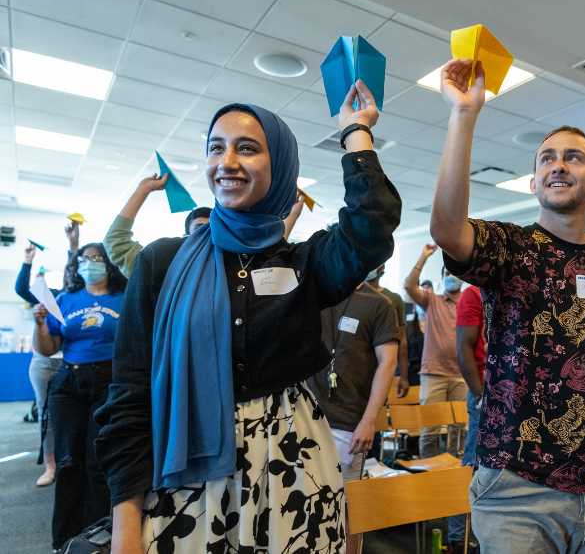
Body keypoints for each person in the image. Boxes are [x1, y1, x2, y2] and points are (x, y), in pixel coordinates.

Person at [95, 81, 401, 554]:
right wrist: (125, 527)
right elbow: (131, 394)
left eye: (248, 148)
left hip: (295, 466)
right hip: (187, 474)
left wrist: (355, 132)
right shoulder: (162, 263)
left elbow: (372, 226)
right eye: (216, 147)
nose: (227, 162)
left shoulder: (303, 263)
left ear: (278, 166)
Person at [430, 58, 585, 554]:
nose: (558, 164)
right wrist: (463, 116)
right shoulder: (510, 248)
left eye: (574, 157)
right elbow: (448, 232)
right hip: (518, 487)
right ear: (534, 182)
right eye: (546, 158)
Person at [32, 242, 127, 550]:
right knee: (69, 461)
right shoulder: (66, 299)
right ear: (77, 265)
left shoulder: (124, 297)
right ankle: (64, 539)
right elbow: (48, 348)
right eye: (85, 259)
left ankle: (98, 535)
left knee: (97, 461)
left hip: (109, 381)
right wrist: (38, 324)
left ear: (109, 263)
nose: (91, 263)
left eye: (97, 258)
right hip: (68, 381)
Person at [307, 281, 399, 553]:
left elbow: (388, 362)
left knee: (345, 509)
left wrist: (369, 420)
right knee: (304, 506)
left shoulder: (379, 303)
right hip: (304, 420)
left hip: (349, 422)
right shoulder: (313, 292)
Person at [104, 175, 306, 278]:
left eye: (215, 227)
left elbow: (267, 247)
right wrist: (143, 190)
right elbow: (116, 242)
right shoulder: (167, 263)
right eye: (201, 228)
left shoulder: (234, 263)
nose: (210, 233)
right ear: (185, 236)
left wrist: (293, 215)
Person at [15, 223, 80, 487]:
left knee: (73, 414)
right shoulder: (48, 298)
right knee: (47, 414)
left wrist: (74, 245)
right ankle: (50, 465)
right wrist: (28, 261)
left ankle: (71, 460)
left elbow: (73, 271)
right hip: (43, 363)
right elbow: (21, 288)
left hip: (70, 362)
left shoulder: (73, 296)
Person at [405, 246, 468, 459]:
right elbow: (409, 285)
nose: (451, 277)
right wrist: (423, 256)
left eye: (454, 274)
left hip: (462, 375)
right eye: (446, 273)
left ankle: (453, 475)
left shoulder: (469, 303)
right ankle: (427, 474)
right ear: (442, 278)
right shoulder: (431, 301)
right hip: (433, 374)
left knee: (458, 431)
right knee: (429, 430)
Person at [447, 283, 487, 552]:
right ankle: (456, 539)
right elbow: (464, 349)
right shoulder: (473, 293)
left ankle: (484, 537)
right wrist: (481, 397)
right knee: (471, 468)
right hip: (484, 396)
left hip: (514, 400)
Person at [366, 263, 410, 398]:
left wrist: (404, 375)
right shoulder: (350, 295)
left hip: (383, 366)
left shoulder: (393, 299)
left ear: (381, 268)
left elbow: (402, 338)